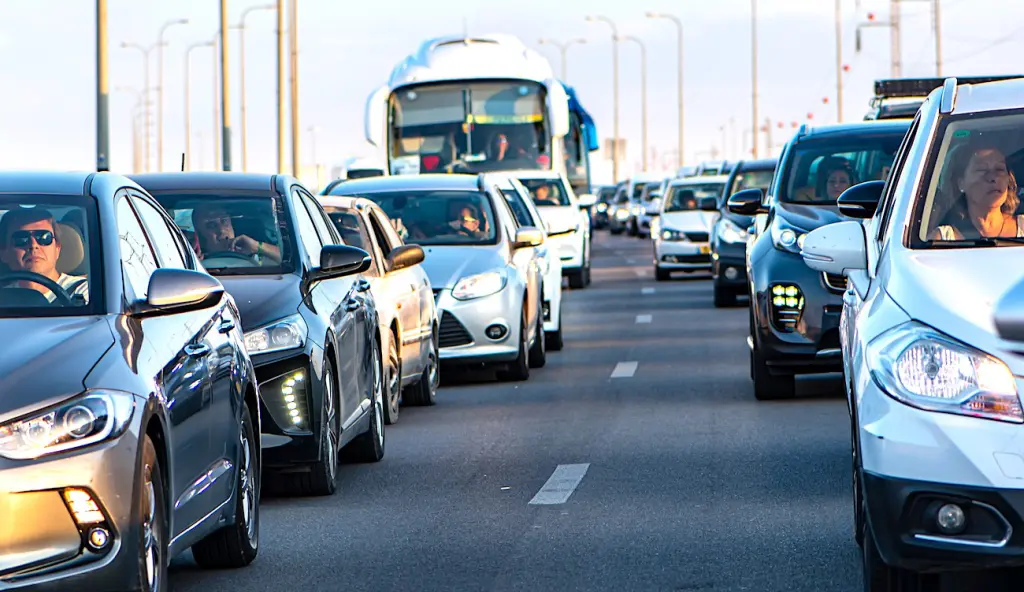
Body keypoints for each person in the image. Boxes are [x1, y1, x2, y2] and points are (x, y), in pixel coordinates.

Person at [932, 141, 1024, 240]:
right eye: (982, 169)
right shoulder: (941, 238)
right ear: (961, 183)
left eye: (999, 169)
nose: (993, 177)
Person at [0, 208, 89, 304]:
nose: (33, 245)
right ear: (4, 253)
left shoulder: (85, 292)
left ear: (57, 249)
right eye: (21, 239)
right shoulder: (3, 298)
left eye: (44, 237)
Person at [191, 203, 282, 264]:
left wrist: (257, 246)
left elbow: (292, 262)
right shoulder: (195, 264)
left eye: (224, 221)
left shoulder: (256, 255)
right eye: (211, 225)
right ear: (199, 236)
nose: (222, 230)